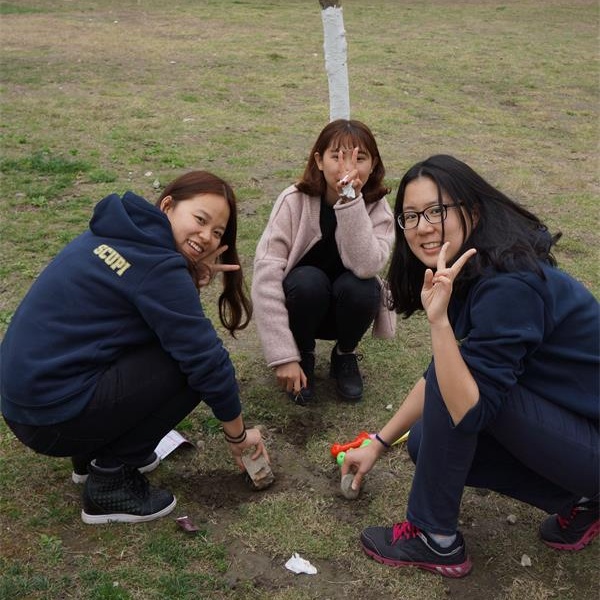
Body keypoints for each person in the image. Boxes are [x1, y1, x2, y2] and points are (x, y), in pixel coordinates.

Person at [341, 155, 599, 577]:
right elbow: (445, 374)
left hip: (590, 438)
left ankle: (434, 538)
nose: (423, 227)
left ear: (473, 213)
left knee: (457, 385)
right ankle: (583, 501)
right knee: (424, 441)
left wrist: (439, 324)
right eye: (410, 216)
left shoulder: (509, 285)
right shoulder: (474, 269)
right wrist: (378, 442)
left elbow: (466, 405)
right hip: (577, 427)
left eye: (435, 211)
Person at [1, 170, 269, 525]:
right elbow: (207, 362)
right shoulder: (159, 267)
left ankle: (92, 454)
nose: (206, 237)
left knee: (172, 344)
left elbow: (136, 312)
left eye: (217, 232)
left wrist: (186, 282)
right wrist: (238, 436)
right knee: (189, 369)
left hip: (25, 402)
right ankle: (110, 479)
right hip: (52, 417)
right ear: (168, 205)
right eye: (200, 219)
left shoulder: (121, 231)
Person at [252, 119, 395, 404]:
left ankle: (344, 354)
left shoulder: (378, 207)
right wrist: (283, 355)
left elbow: (367, 266)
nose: (347, 166)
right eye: (337, 156)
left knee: (364, 286)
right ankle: (302, 352)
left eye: (359, 158)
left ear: (373, 164)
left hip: (347, 310)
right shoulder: (293, 201)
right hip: (301, 305)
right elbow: (265, 275)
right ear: (319, 161)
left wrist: (350, 199)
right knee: (308, 280)